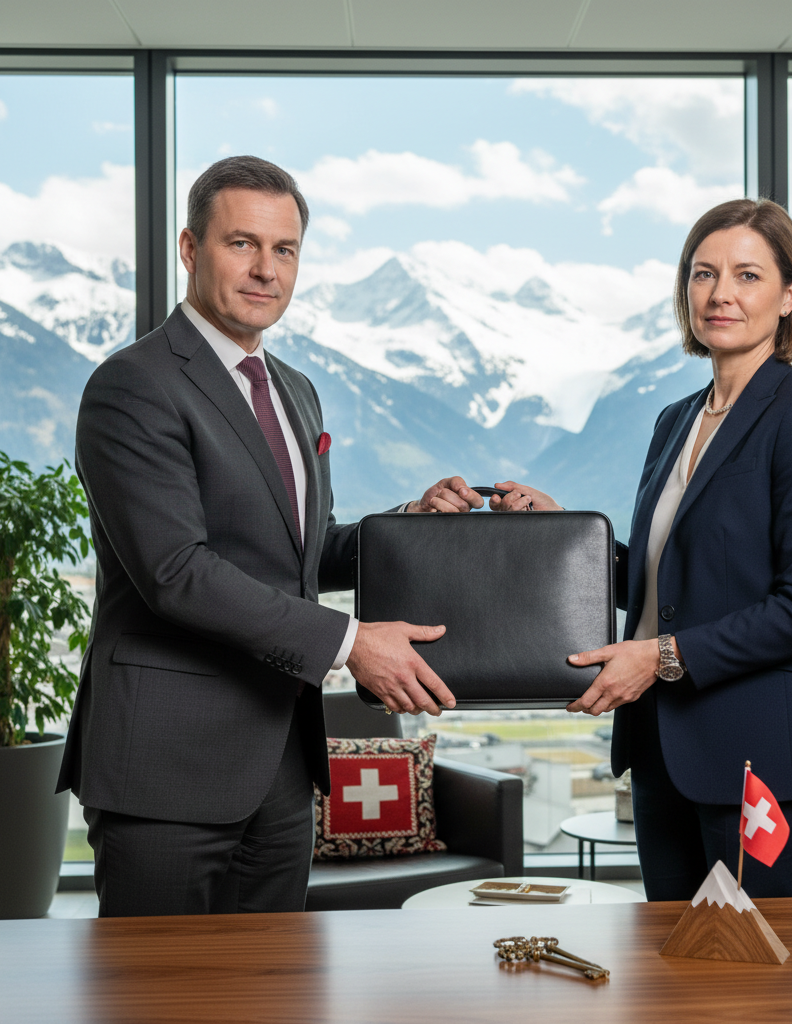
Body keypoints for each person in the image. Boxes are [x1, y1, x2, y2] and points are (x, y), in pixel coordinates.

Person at [56, 155, 484, 917]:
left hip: (281, 764)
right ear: (191, 250)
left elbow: (300, 551)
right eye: (241, 244)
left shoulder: (294, 390)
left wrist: (408, 528)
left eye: (284, 250)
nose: (265, 270)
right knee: (157, 999)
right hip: (164, 766)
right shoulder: (133, 385)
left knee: (270, 991)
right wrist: (352, 644)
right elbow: (177, 572)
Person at [492, 198, 792, 899]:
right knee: (673, 991)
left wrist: (659, 659)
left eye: (747, 275)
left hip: (763, 770)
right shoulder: (676, 421)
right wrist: (567, 532)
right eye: (703, 273)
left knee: (759, 998)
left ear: (789, 295)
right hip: (665, 758)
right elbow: (671, 586)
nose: (721, 293)